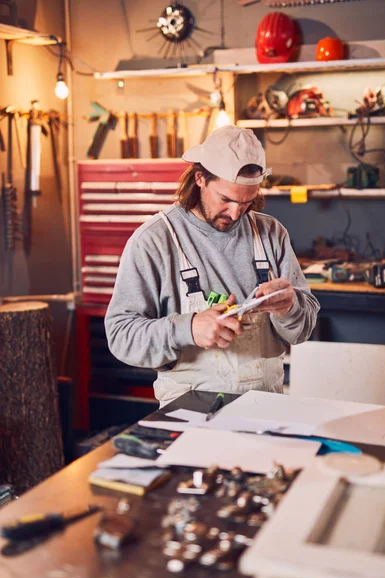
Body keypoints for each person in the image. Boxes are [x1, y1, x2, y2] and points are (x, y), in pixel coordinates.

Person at [105, 125, 320, 406]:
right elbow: (122, 336)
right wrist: (188, 329)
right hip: (189, 416)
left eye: (246, 202)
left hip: (266, 411)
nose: (235, 213)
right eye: (226, 199)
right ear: (200, 179)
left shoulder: (271, 234)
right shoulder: (155, 241)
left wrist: (289, 308)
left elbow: (302, 330)